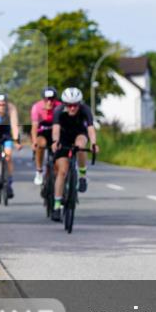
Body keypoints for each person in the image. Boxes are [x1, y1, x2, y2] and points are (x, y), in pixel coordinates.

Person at [50, 87, 98, 221]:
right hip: (63, 137)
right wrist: (55, 142)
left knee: (81, 146)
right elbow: (55, 129)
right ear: (64, 104)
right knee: (62, 172)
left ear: (79, 104)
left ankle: (82, 175)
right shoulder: (58, 111)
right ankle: (57, 206)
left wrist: (94, 143)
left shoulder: (85, 110)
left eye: (75, 105)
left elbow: (90, 128)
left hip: (79, 134)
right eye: (69, 105)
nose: (72, 108)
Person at [30, 87, 61, 185]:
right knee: (41, 144)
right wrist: (34, 142)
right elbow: (34, 127)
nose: (49, 102)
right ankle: (39, 171)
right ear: (43, 99)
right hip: (42, 132)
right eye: (47, 99)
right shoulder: (37, 107)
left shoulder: (59, 107)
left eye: (52, 99)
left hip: (55, 132)